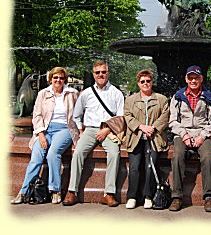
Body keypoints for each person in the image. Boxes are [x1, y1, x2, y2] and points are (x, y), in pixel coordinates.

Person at [11, 67, 79, 205]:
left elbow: (79, 114)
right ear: (51, 79)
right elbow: (37, 115)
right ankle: (24, 192)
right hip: (45, 129)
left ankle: (55, 190)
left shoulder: (72, 93)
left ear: (65, 79)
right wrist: (41, 134)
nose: (58, 80)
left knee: (53, 154)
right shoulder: (43, 93)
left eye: (61, 78)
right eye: (55, 78)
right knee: (36, 157)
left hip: (64, 129)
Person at [62, 60, 124, 207]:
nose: (101, 75)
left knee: (115, 154)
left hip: (109, 130)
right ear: (93, 74)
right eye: (98, 72)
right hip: (90, 129)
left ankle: (108, 193)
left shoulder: (116, 93)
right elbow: (76, 116)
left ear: (108, 73)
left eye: (103, 72)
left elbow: (121, 117)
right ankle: (72, 191)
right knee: (77, 153)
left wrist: (107, 130)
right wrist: (81, 131)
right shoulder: (86, 93)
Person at [168, 65, 211, 212]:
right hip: (182, 132)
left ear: (201, 79)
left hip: (202, 133)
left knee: (208, 158)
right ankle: (176, 197)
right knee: (177, 156)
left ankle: (209, 197)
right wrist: (183, 135)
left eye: (196, 78)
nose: (193, 80)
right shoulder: (178, 96)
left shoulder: (209, 97)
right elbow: (173, 120)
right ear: (186, 79)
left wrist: (202, 136)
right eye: (190, 78)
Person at [124, 69, 170, 209]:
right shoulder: (130, 100)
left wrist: (153, 128)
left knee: (151, 167)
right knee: (134, 167)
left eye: (148, 81)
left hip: (154, 138)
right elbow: (127, 116)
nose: (145, 84)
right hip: (136, 137)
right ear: (138, 83)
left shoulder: (161, 99)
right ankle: (132, 197)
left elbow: (165, 116)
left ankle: (148, 196)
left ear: (152, 82)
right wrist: (141, 127)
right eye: (142, 81)